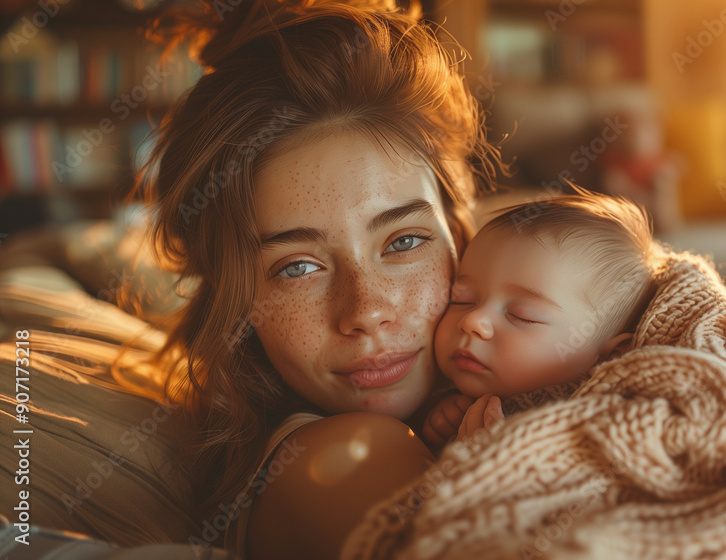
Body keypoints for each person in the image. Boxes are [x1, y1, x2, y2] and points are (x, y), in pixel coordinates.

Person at [87, 0, 500, 558]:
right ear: (234, 296)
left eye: (403, 241)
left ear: (458, 230)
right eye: (297, 267)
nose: (366, 310)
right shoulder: (350, 454)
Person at [422, 190, 665, 447]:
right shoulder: (433, 391)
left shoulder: (588, 429)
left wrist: (495, 457)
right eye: (461, 299)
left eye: (520, 316)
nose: (472, 320)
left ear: (610, 358)